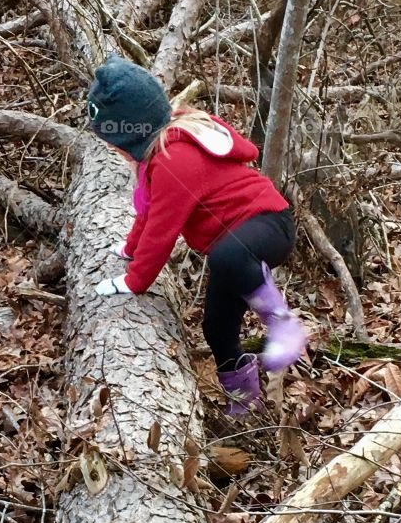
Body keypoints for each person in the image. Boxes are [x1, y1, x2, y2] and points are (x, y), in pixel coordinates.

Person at [87, 57, 307, 415]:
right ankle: (245, 406)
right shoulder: (157, 156)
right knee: (216, 328)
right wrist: (129, 250)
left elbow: (162, 229)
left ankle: (284, 326)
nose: (113, 151)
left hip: (266, 225)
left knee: (226, 257)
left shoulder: (175, 160)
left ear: (131, 135)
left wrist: (133, 281)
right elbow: (147, 212)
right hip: (234, 245)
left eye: (114, 144)